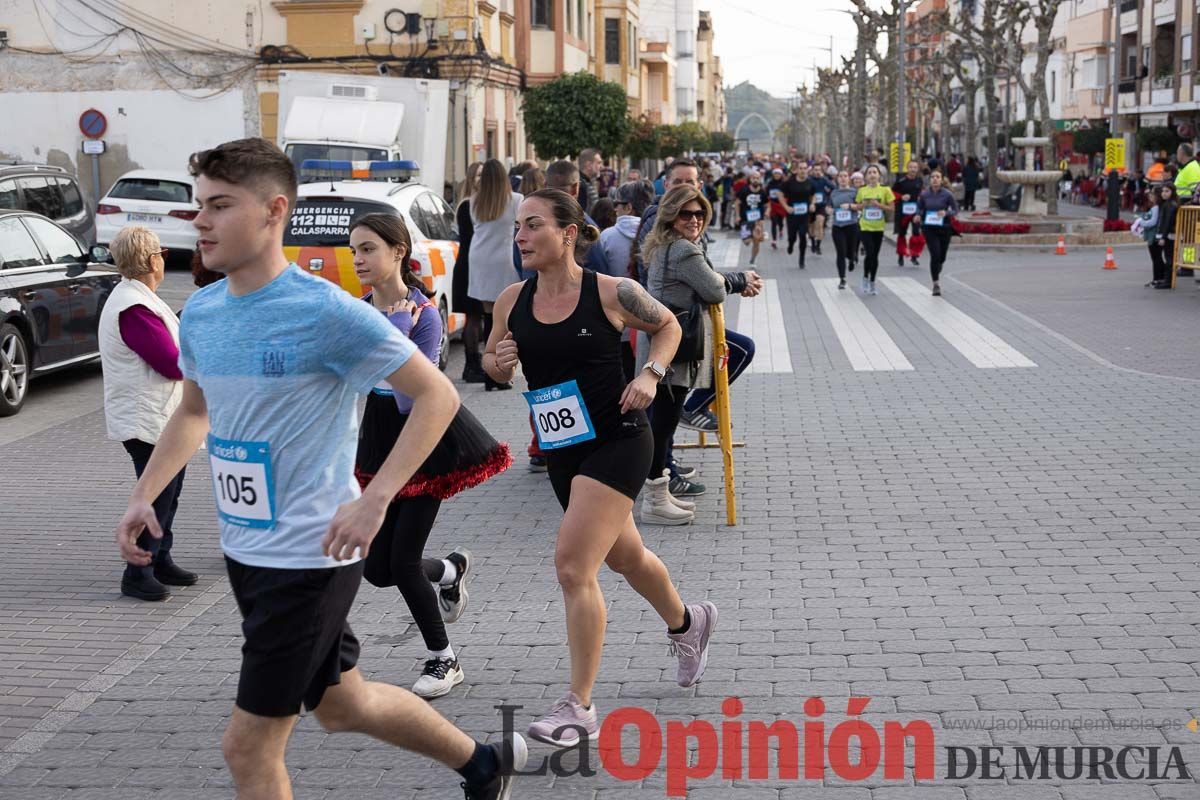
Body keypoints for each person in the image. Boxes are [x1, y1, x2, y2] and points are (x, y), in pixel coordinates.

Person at [114, 137, 526, 800]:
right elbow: (194, 411)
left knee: (247, 747)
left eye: (220, 205)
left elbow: (437, 395)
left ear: (274, 211)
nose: (200, 221)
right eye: (199, 206)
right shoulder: (206, 313)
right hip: (247, 551)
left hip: (310, 557)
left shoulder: (326, 311)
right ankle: (482, 764)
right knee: (342, 705)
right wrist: (144, 495)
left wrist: (377, 499)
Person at [484, 188, 718, 748]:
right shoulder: (511, 300)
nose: (520, 235)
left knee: (572, 566)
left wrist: (651, 375)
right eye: (518, 226)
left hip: (619, 438)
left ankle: (579, 708)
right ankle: (689, 624)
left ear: (568, 233)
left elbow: (670, 327)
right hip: (563, 448)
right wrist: (499, 362)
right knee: (625, 556)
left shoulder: (613, 291)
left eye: (532, 225)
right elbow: (492, 367)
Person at [350, 212, 511, 699]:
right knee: (376, 570)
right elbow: (359, 383)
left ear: (398, 251)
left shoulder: (423, 314)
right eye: (354, 249)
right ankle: (449, 570)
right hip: (378, 439)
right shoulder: (358, 310)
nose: (358, 259)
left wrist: (396, 324)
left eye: (368, 249)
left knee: (400, 563)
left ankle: (444, 659)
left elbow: (408, 397)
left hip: (425, 438)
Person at [640, 185, 760, 521]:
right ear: (671, 217)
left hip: (663, 340)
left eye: (699, 213)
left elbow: (708, 283)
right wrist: (739, 280)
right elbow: (713, 288)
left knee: (661, 422)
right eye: (685, 214)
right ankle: (655, 499)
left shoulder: (665, 246)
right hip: (675, 346)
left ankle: (660, 492)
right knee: (663, 423)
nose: (694, 220)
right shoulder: (683, 251)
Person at [100, 226, 196, 602]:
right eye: (161, 252)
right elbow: (169, 363)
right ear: (151, 259)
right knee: (156, 495)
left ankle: (160, 558)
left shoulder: (140, 299)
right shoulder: (134, 307)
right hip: (146, 420)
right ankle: (137, 572)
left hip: (162, 418)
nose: (163, 258)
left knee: (168, 495)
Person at [589, 181, 655, 380]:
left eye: (616, 204)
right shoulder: (655, 234)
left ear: (628, 207)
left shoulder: (606, 237)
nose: (614, 208)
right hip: (652, 320)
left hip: (616, 323)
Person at [468, 159, 523, 392]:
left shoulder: (474, 201)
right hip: (503, 258)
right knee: (504, 316)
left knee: (488, 316)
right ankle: (500, 373)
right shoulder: (516, 200)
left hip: (479, 257)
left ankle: (490, 375)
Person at [452, 162, 486, 383]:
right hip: (469, 266)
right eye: (479, 175)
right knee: (473, 317)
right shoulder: (469, 206)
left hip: (471, 265)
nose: (482, 179)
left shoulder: (470, 205)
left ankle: (473, 363)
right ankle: (471, 364)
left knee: (476, 317)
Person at [917, 168, 959, 297]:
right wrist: (918, 215)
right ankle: (936, 284)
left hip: (944, 227)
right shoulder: (924, 195)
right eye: (933, 177)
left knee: (942, 256)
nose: (935, 179)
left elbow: (956, 210)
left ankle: (939, 264)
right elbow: (919, 208)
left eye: (938, 177)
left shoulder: (947, 194)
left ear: (941, 180)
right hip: (929, 228)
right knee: (934, 254)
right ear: (929, 180)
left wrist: (946, 212)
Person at [855, 164, 894, 296]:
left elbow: (891, 208)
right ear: (866, 177)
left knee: (875, 256)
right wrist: (863, 205)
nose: (872, 175)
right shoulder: (862, 190)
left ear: (879, 176)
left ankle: (872, 281)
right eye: (869, 173)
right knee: (869, 253)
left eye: (874, 172)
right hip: (865, 226)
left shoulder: (885, 190)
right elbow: (858, 206)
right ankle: (865, 277)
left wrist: (879, 205)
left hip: (879, 227)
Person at [829, 170, 860, 290]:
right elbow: (829, 205)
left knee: (850, 251)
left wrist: (851, 206)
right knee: (840, 252)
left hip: (852, 225)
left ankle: (852, 258)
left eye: (845, 176)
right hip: (838, 226)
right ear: (837, 179)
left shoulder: (855, 192)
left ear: (849, 179)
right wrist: (829, 210)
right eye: (840, 176)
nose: (842, 178)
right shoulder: (834, 193)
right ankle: (842, 278)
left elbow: (860, 205)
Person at [781, 160, 815, 268]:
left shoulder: (810, 182)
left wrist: (813, 204)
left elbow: (813, 194)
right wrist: (786, 207)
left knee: (802, 235)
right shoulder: (790, 182)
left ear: (807, 170)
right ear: (797, 170)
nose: (803, 170)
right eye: (801, 168)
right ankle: (790, 244)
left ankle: (802, 258)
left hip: (804, 215)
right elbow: (779, 193)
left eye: (805, 168)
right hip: (792, 215)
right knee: (792, 236)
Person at [893, 159, 925, 268]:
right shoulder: (901, 180)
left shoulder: (919, 180)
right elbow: (892, 193)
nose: (912, 169)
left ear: (917, 169)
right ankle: (901, 256)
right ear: (907, 168)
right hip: (903, 211)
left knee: (916, 232)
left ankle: (914, 255)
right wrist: (901, 197)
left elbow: (922, 193)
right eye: (911, 167)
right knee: (902, 233)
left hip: (915, 210)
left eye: (915, 167)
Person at [736, 169, 768, 265]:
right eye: (754, 178)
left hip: (758, 220)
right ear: (750, 179)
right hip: (746, 219)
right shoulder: (744, 190)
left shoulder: (762, 192)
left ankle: (753, 259)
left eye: (757, 178)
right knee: (747, 241)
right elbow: (737, 203)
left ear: (760, 179)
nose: (755, 180)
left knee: (756, 240)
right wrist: (737, 216)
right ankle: (751, 236)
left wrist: (767, 212)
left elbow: (767, 204)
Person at [1133, 187, 1161, 287]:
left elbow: (1153, 222)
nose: (1150, 196)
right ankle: (1157, 278)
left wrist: (1142, 222)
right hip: (1152, 235)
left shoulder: (1156, 208)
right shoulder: (1154, 207)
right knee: (1155, 258)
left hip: (1153, 236)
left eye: (1152, 194)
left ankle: (1158, 278)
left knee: (1156, 258)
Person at [1154, 183, 1178, 289]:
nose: (1164, 193)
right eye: (1163, 191)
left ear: (1172, 192)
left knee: (1169, 258)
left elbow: (1168, 222)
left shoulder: (1170, 205)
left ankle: (1168, 281)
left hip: (1169, 235)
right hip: (1168, 234)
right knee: (1168, 257)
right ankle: (1167, 279)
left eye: (1167, 191)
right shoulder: (1167, 203)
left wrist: (1163, 237)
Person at [809, 166, 833, 255]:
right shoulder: (809, 180)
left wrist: (827, 196)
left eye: (819, 170)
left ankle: (818, 246)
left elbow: (833, 187)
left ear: (821, 171)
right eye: (815, 170)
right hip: (811, 206)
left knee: (820, 224)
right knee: (811, 227)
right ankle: (812, 242)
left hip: (821, 206)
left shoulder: (824, 180)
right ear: (812, 171)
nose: (817, 172)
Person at [766, 167, 787, 250]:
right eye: (775, 174)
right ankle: (774, 241)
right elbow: (767, 194)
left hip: (780, 205)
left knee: (780, 221)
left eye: (778, 174)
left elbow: (787, 194)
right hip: (773, 204)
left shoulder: (783, 184)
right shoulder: (770, 184)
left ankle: (781, 229)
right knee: (774, 222)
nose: (777, 175)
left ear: (781, 175)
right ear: (773, 175)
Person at [578, 148, 602, 214]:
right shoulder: (580, 185)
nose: (601, 166)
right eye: (598, 163)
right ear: (588, 165)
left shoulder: (586, 182)